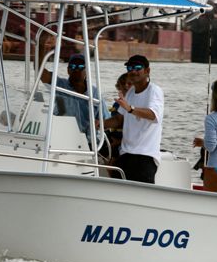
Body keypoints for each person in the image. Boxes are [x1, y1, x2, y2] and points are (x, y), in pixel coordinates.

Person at [98, 55, 164, 184]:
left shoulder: (154, 91)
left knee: (141, 193)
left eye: (137, 67)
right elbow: (119, 119)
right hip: (126, 154)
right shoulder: (131, 92)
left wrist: (130, 108)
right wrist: (100, 123)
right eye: (130, 68)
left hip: (145, 156)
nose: (133, 71)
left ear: (147, 71)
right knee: (117, 189)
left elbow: (153, 114)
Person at [39, 35, 110, 141]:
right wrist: (41, 46)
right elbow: (40, 72)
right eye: (72, 67)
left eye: (80, 67)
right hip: (60, 138)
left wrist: (100, 125)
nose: (76, 69)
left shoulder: (95, 94)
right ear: (68, 70)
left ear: (86, 71)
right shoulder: (59, 85)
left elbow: (106, 121)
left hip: (86, 142)